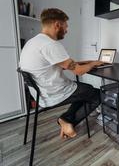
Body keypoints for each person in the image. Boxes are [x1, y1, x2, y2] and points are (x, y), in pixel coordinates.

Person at [20, 8, 104, 139]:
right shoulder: (50, 45)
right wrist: (93, 64)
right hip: (54, 93)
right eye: (66, 26)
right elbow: (79, 71)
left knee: (85, 91)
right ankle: (66, 120)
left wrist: (89, 61)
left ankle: (66, 119)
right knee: (97, 94)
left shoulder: (33, 43)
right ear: (57, 25)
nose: (66, 30)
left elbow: (61, 64)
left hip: (40, 94)